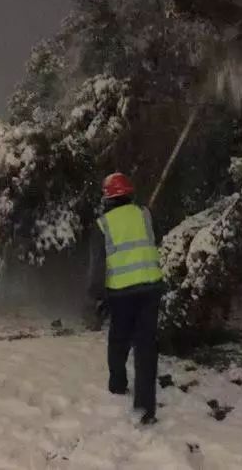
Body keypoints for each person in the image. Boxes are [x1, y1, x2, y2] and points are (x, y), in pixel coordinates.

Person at [87, 172, 164, 425]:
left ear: (107, 198)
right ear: (130, 193)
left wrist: (96, 296)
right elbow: (155, 241)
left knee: (119, 338)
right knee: (146, 347)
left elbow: (98, 265)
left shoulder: (103, 224)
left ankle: (118, 383)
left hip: (121, 293)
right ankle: (145, 406)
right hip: (150, 288)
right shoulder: (145, 214)